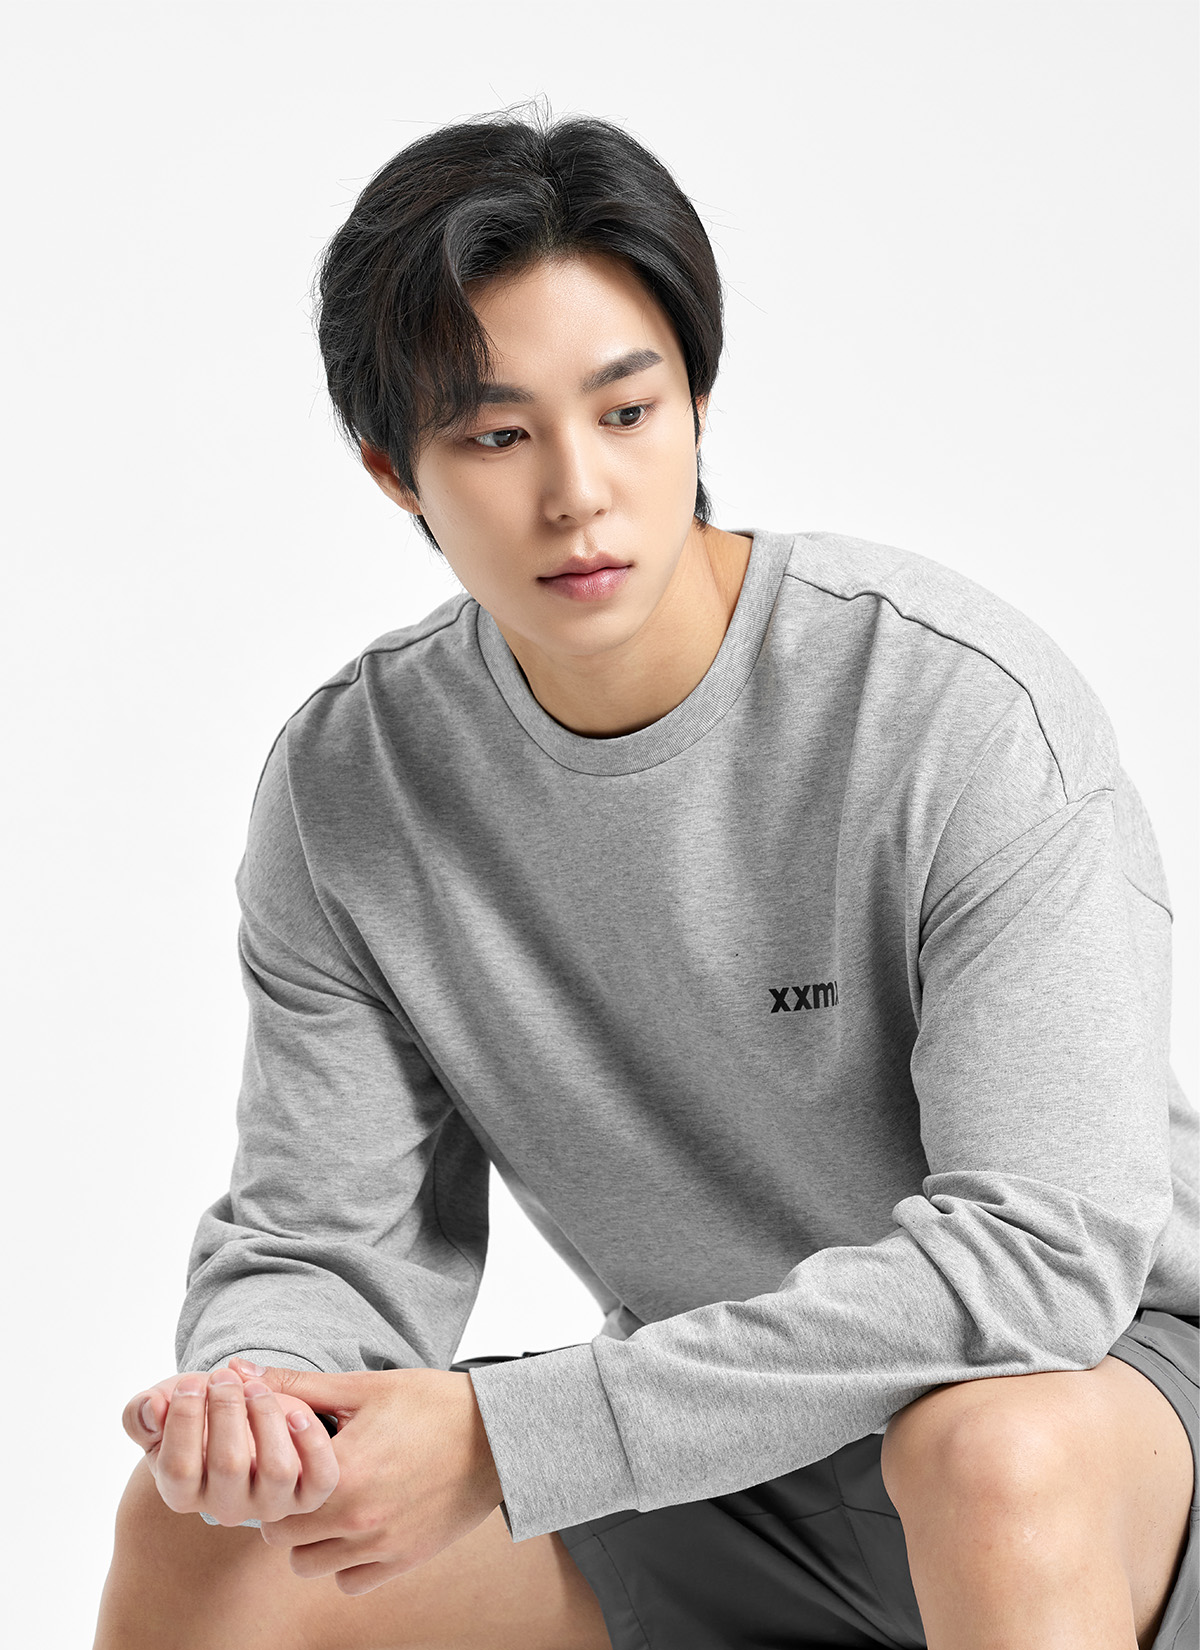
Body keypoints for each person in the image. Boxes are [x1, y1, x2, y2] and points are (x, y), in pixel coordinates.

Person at [94, 99, 1198, 1650]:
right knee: (214, 1537)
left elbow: (1043, 1257)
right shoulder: (353, 786)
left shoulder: (951, 709)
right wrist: (259, 1392)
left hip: (1098, 1408)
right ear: (394, 470)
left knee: (986, 1451)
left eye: (627, 410)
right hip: (722, 1445)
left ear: (696, 401)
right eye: (497, 436)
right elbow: (329, 1238)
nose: (579, 492)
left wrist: (515, 1438)